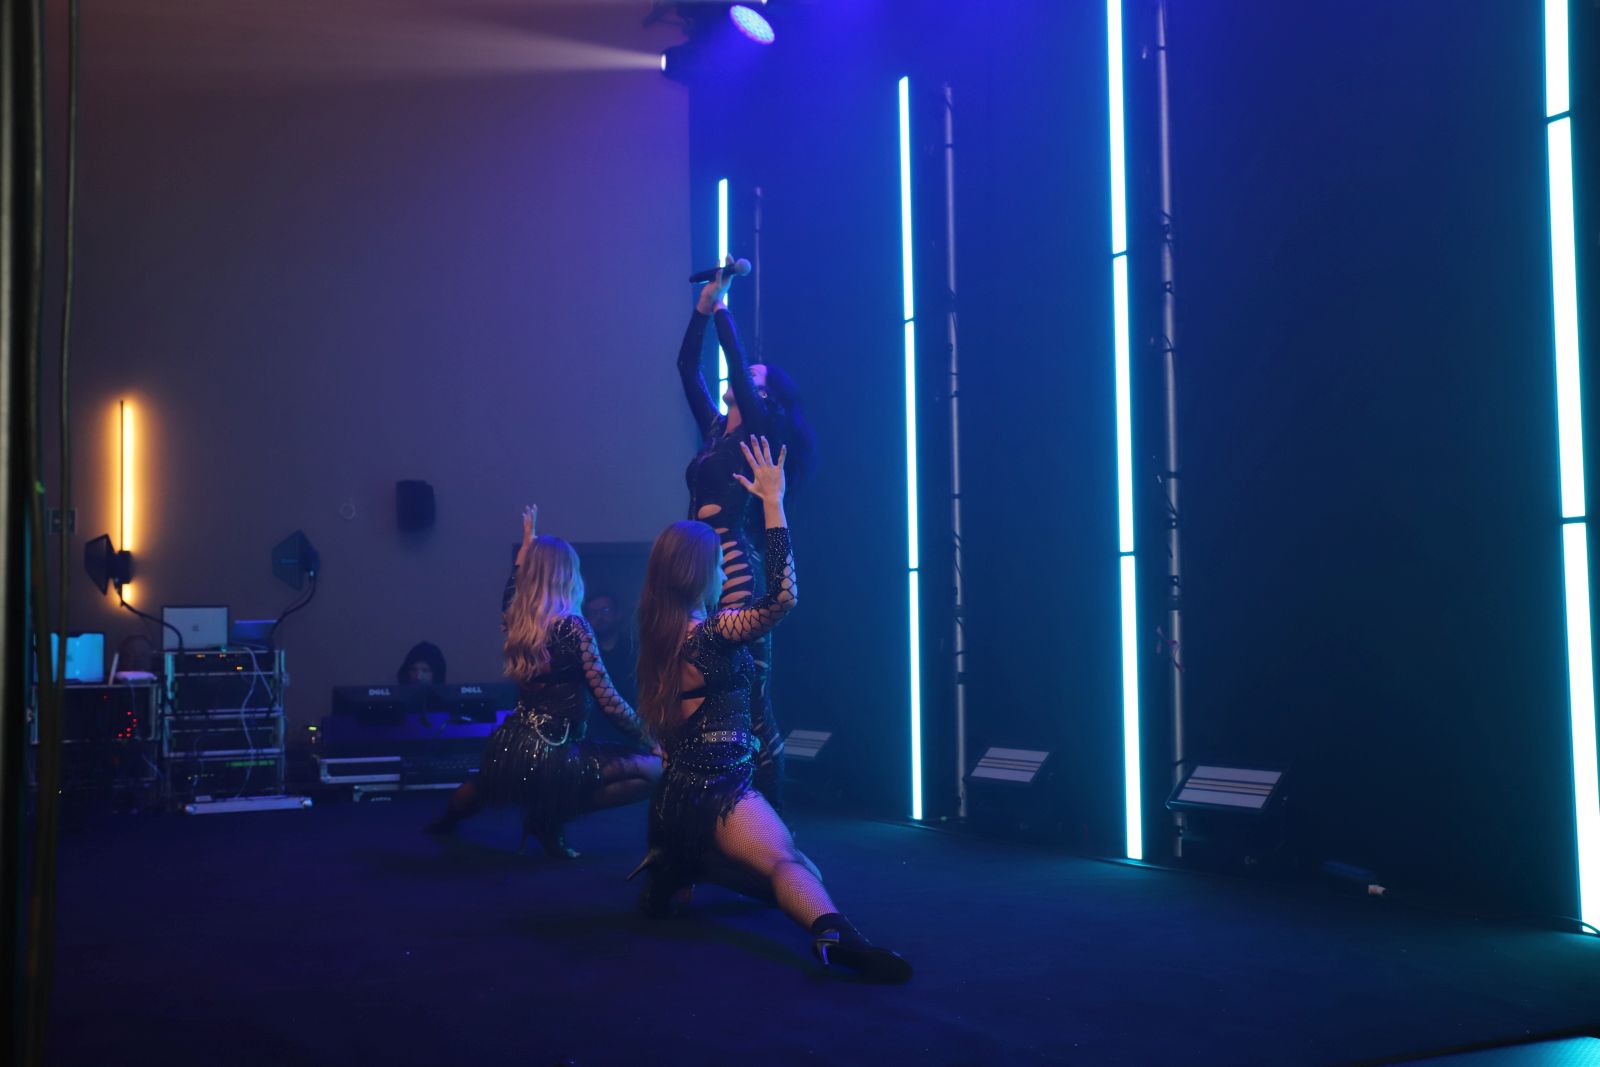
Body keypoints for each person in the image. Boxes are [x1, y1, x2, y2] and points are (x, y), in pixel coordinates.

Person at [632, 436, 910, 981]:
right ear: (699, 573)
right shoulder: (710, 633)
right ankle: (837, 938)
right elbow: (782, 598)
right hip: (720, 791)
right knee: (791, 864)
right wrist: (773, 505)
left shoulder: (660, 638)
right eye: (719, 566)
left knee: (798, 871)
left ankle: (682, 863)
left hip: (676, 802)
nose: (725, 576)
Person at [428, 507, 661, 858]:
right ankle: (550, 817)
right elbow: (608, 699)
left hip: (512, 747)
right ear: (568, 575)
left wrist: (526, 547)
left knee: (486, 784)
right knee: (654, 772)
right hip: (556, 751)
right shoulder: (573, 627)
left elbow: (511, 590)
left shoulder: (518, 621)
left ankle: (445, 823)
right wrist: (649, 738)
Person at [676, 261, 814, 810]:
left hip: (732, 563)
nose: (739, 376)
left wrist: (724, 305)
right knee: (708, 683)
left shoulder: (755, 431)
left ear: (765, 398)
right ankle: (718, 804)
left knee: (752, 693)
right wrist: (702, 308)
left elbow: (733, 362)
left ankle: (771, 813)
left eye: (752, 377)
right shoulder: (716, 430)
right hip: (698, 565)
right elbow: (687, 368)